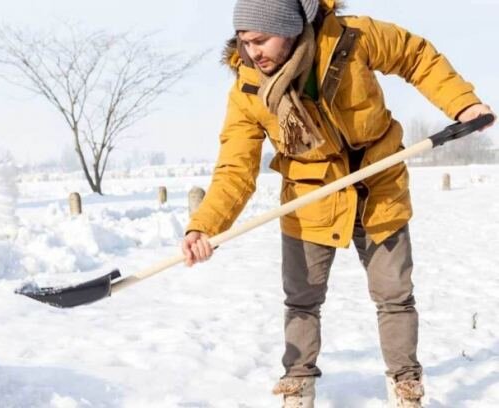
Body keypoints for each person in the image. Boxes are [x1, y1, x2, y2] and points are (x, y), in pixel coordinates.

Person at [180, 0, 495, 407]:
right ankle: (298, 383)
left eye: (261, 40)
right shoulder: (248, 88)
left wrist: (463, 103)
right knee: (302, 299)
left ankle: (405, 382)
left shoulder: (351, 39)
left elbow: (415, 55)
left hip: (379, 183)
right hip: (311, 195)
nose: (252, 52)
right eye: (244, 42)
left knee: (394, 294)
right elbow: (235, 167)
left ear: (291, 29)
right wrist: (205, 225)